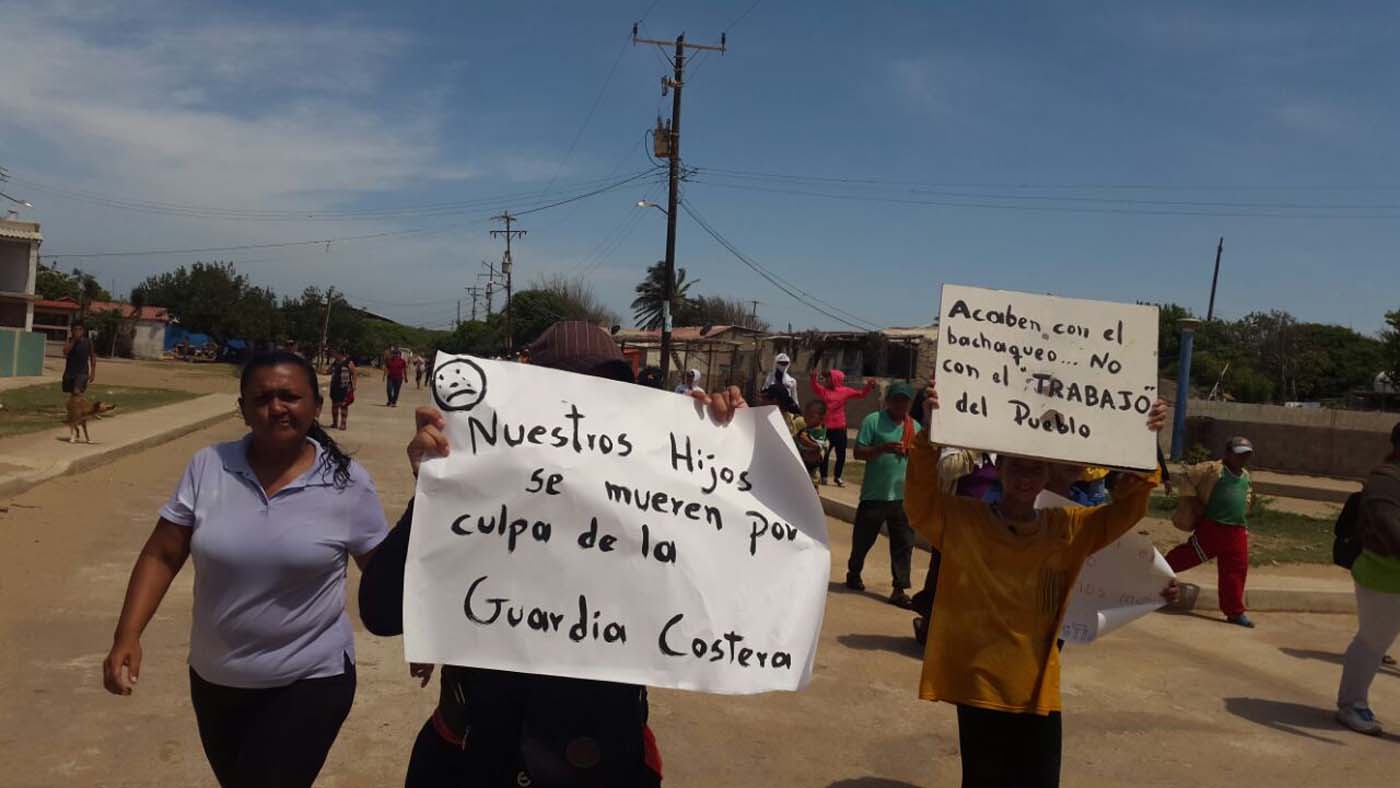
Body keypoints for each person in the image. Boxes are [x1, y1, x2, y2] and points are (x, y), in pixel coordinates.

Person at [358, 321, 747, 786]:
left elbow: (723, 585)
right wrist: (434, 491)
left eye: (606, 389)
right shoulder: (483, 495)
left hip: (601, 760)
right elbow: (381, 611)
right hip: (475, 754)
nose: (580, 406)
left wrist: (714, 445)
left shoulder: (654, 494)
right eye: (563, 386)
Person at [101, 351, 389, 787]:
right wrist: (128, 634)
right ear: (242, 409)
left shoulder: (347, 482)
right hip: (216, 678)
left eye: (290, 396)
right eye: (262, 398)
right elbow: (162, 554)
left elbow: (382, 573)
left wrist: (426, 636)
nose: (276, 408)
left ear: (315, 405)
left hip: (310, 679)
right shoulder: (209, 467)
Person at [904, 380, 1166, 787]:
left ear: (1048, 474)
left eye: (1036, 468)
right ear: (1001, 469)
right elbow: (919, 502)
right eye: (1017, 466)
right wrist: (927, 437)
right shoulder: (963, 521)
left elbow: (1127, 509)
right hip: (978, 682)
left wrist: (1144, 441)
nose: (1026, 477)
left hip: (1036, 686)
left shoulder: (1069, 527)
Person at [1336, 421, 1400, 735]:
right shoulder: (1386, 481)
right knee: (1373, 642)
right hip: (1384, 579)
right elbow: (1389, 528)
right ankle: (1351, 705)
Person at [1163, 436, 1257, 628]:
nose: (1242, 459)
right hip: (1213, 527)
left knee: (1236, 572)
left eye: (1246, 455)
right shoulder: (1213, 470)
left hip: (1237, 531)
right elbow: (1186, 477)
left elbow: (1246, 499)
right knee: (1187, 556)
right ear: (1228, 454)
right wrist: (1193, 501)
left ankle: (1234, 612)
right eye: (1239, 455)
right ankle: (1154, 572)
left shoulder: (1245, 476)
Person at [845, 382, 920, 608]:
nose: (900, 404)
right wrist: (881, 449)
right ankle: (854, 572)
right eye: (896, 399)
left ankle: (899, 589)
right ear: (888, 400)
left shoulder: (914, 427)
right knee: (863, 540)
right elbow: (858, 452)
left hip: (903, 497)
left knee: (903, 544)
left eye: (904, 400)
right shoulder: (873, 421)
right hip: (874, 494)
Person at [810, 368, 877, 487]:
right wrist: (813, 377)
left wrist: (868, 386)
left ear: (835, 379)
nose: (827, 380)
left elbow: (861, 394)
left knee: (841, 454)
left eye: (829, 377)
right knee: (824, 453)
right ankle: (824, 476)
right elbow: (815, 387)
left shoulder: (845, 391)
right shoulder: (824, 391)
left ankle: (837, 476)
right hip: (827, 428)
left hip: (840, 428)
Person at [793, 399, 830, 487]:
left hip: (810, 479)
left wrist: (807, 441)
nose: (805, 418)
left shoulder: (820, 433)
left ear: (821, 418)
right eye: (805, 415)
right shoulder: (805, 430)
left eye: (810, 416)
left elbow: (819, 447)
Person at [62, 322, 97, 396]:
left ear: (83, 331)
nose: (78, 331)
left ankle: (85, 407)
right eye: (75, 329)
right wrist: (74, 341)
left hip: (82, 372)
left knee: (76, 391)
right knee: (70, 393)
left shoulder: (88, 342)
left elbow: (93, 356)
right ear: (72, 331)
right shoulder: (69, 340)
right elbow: (65, 352)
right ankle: (76, 406)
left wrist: (93, 372)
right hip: (69, 372)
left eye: (80, 329)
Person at [328, 348, 356, 430]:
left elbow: (354, 373)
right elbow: (328, 371)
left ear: (340, 354)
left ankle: (343, 424)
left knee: (343, 406)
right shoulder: (335, 363)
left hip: (345, 387)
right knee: (334, 405)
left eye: (335, 353)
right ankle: (335, 423)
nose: (333, 355)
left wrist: (353, 386)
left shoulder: (348, 362)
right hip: (335, 387)